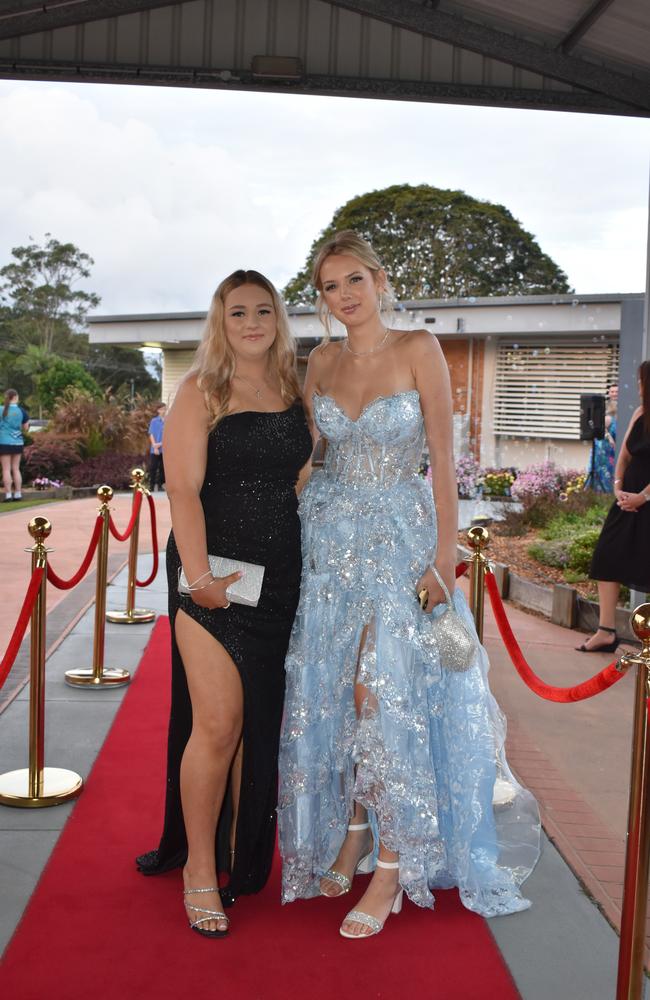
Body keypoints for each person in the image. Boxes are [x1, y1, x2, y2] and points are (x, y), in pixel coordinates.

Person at [278, 231, 540, 938]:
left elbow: (446, 465)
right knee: (336, 691)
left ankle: (395, 863)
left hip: (400, 542)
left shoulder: (420, 348)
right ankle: (358, 827)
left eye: (355, 279)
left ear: (380, 279)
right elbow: (312, 457)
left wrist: (441, 559)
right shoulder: (320, 361)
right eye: (331, 287)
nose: (345, 296)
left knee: (382, 693)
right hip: (330, 546)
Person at [136, 270, 312, 938]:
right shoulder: (200, 390)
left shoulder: (294, 389)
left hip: (280, 579)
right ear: (221, 320)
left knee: (252, 720)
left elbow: (298, 478)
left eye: (263, 310)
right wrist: (203, 578)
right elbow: (182, 489)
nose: (252, 322)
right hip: (213, 578)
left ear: (278, 318)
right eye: (237, 312)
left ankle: (241, 853)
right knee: (217, 722)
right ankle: (199, 869)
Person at [577, 362, 650, 653]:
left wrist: (643, 497)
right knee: (607, 555)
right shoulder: (639, 413)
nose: (639, 385)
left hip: (645, 500)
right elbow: (624, 457)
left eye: (641, 380)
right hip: (627, 501)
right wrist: (619, 488)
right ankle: (606, 631)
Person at [0, 389, 29, 502]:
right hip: (17, 443)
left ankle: (8, 495)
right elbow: (25, 428)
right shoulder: (22, 411)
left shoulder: (1, 410)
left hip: (4, 442)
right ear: (16, 397)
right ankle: (18, 494)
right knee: (16, 469)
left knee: (6, 469)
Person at [587, 385, 617, 493]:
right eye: (612, 391)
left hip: (613, 448)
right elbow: (600, 425)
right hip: (603, 446)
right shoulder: (606, 407)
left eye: (616, 391)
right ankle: (600, 493)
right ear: (609, 393)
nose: (614, 394)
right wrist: (609, 438)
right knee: (603, 470)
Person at [147, 402, 167, 491]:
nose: (164, 411)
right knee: (153, 467)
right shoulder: (154, 421)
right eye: (162, 409)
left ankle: (160, 485)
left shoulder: (168, 421)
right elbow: (151, 433)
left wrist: (161, 444)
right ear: (158, 410)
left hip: (164, 448)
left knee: (163, 468)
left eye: (165, 409)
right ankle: (151, 485)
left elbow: (169, 435)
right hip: (154, 449)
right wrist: (155, 446)